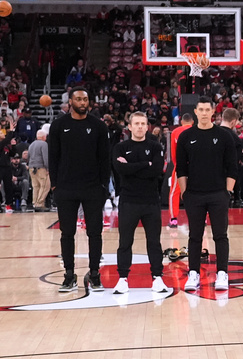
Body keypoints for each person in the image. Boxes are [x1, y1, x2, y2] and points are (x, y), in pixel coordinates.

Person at [50, 86, 110, 293]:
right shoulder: (58, 126)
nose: (83, 103)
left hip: (93, 187)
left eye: (85, 99)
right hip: (66, 188)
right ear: (70, 102)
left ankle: (94, 273)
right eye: (78, 99)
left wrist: (103, 185)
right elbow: (53, 157)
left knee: (95, 233)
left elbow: (105, 158)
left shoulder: (98, 126)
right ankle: (69, 274)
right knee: (67, 233)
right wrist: (55, 184)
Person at [176, 97, 238, 292]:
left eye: (207, 110)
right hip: (194, 194)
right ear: (195, 112)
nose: (204, 113)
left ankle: (222, 273)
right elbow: (181, 168)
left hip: (218, 193)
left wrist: (227, 191)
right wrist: (185, 193)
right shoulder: (186, 137)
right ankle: (193, 273)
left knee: (221, 235)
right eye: (200, 109)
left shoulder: (224, 136)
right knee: (195, 236)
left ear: (213, 112)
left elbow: (232, 167)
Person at [111, 112, 168, 294]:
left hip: (151, 201)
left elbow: (157, 171)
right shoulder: (120, 147)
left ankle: (157, 278)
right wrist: (146, 164)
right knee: (125, 241)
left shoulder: (155, 146)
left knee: (154, 241)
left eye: (143, 123)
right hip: (128, 201)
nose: (140, 127)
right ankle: (122, 279)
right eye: (136, 123)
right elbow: (120, 170)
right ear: (130, 126)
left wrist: (131, 167)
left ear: (147, 126)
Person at [167, 112, 193, 228]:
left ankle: (173, 219)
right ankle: (202, 219)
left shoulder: (175, 132)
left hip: (180, 166)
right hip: (195, 167)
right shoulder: (197, 130)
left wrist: (176, 164)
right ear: (192, 122)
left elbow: (173, 152)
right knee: (201, 191)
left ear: (181, 122)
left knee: (174, 193)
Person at [27, 128, 49, 211]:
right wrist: (48, 168)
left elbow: (28, 157)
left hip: (32, 167)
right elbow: (45, 157)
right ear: (44, 136)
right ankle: (39, 204)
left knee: (35, 187)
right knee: (45, 186)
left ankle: (35, 203)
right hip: (41, 167)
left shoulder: (31, 144)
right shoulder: (44, 144)